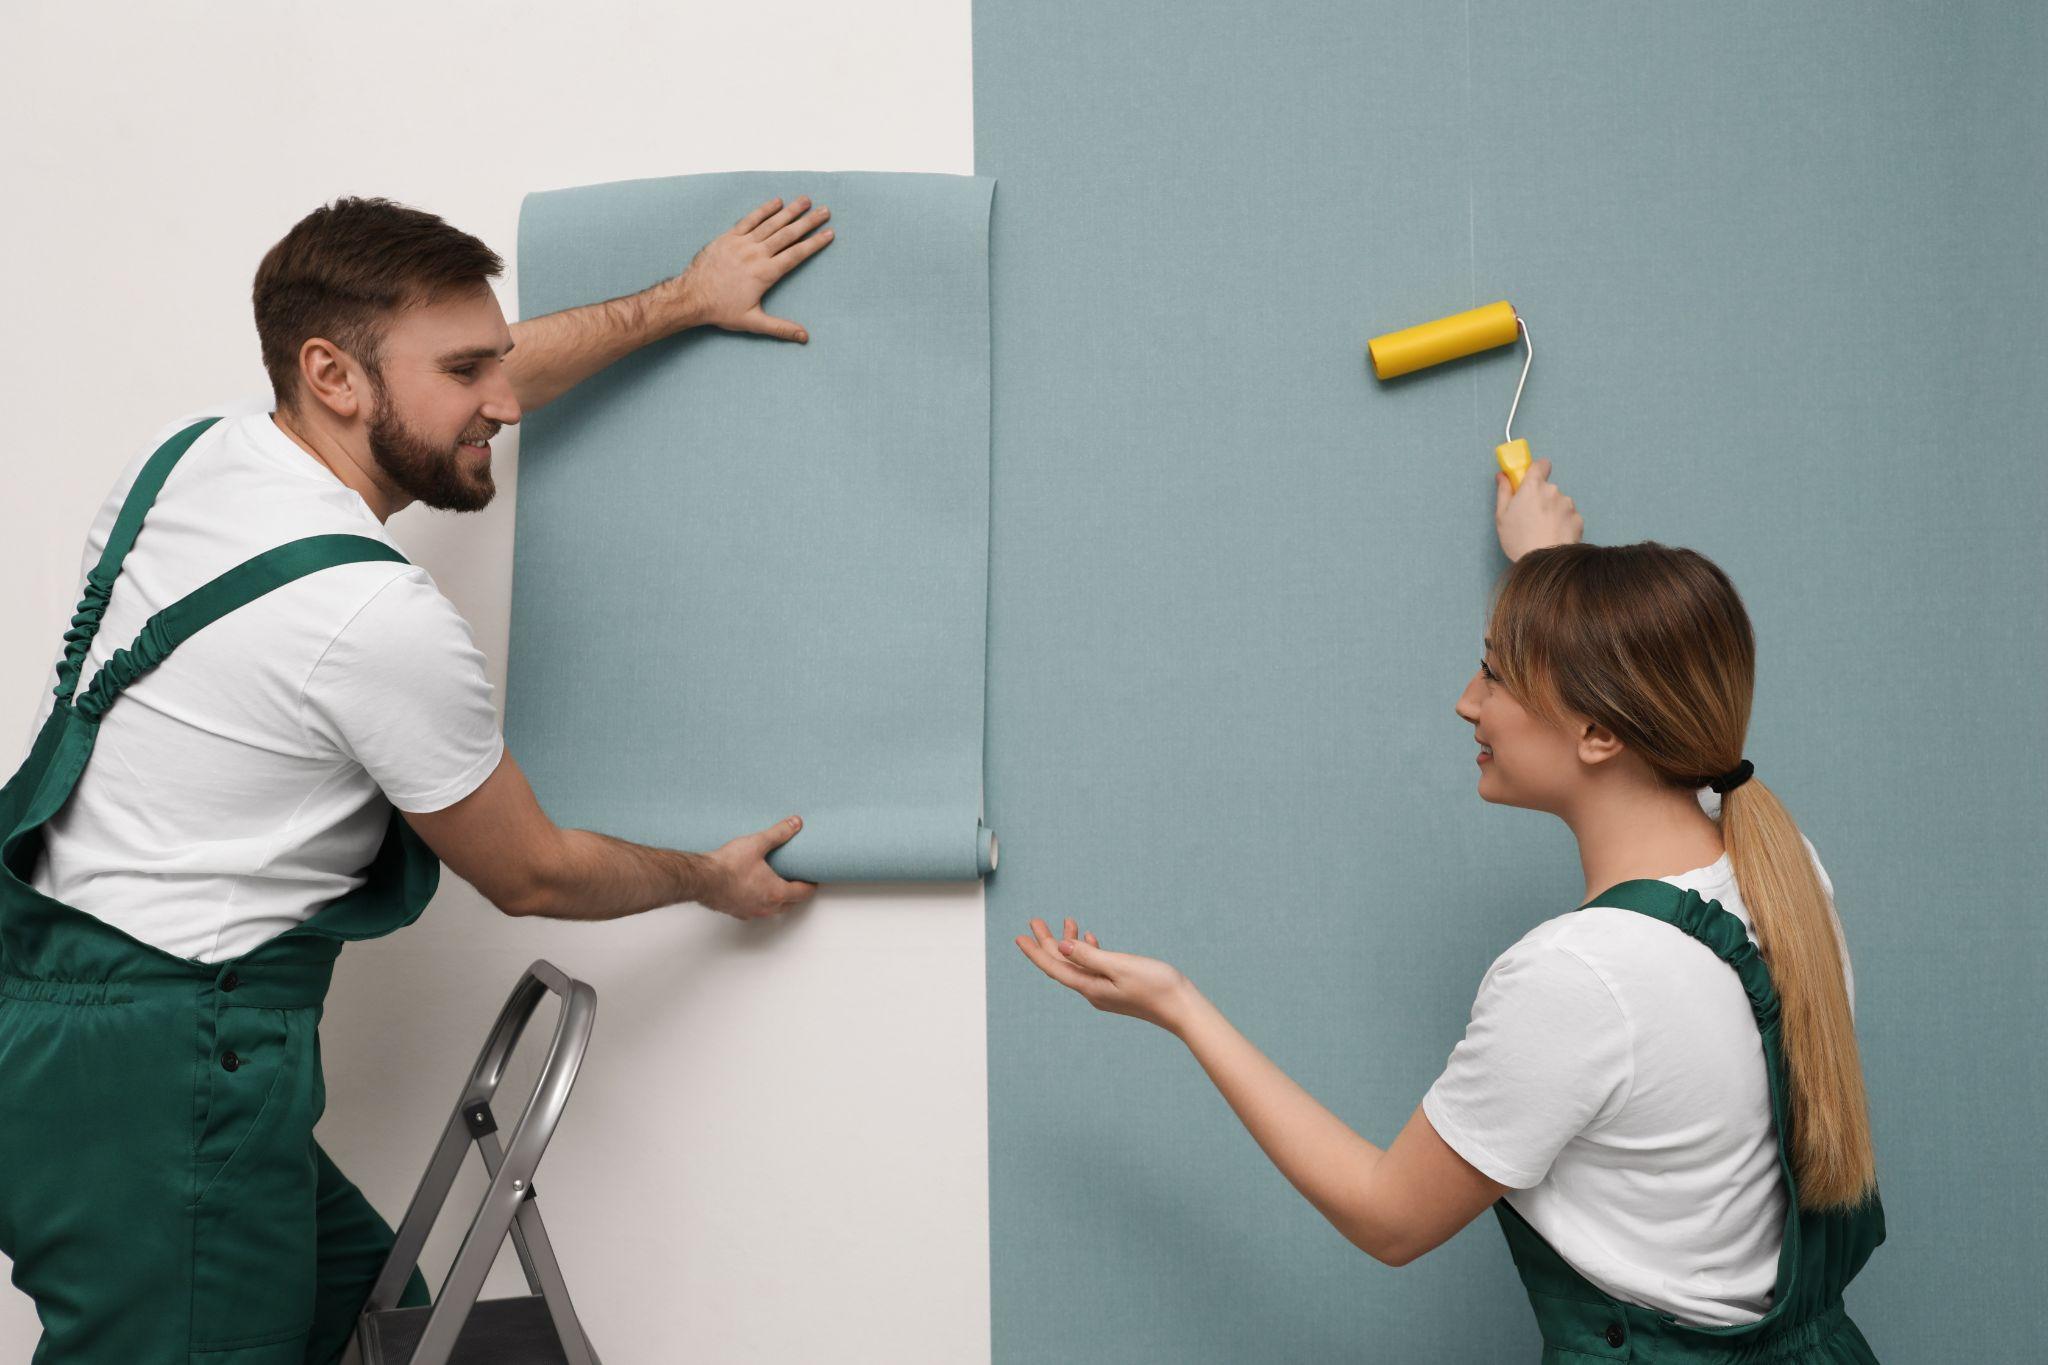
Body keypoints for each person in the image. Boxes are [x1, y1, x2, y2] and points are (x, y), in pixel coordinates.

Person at [0, 192, 834, 1363]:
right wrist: (708, 877)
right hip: (173, 1055)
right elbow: (531, 872)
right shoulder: (367, 615)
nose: (499, 399)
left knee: (372, 1316)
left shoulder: (192, 460)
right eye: (464, 372)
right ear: (333, 375)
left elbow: (483, 372)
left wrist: (682, 301)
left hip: (42, 1011)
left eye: (493, 359)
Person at [1017, 459, 1886, 1360]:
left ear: (1600, 731)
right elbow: (1645, 697)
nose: (1467, 702)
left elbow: (1388, 1216)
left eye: (1495, 676)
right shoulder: (1784, 873)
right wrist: (1551, 568)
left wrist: (1180, 1005)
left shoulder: (1578, 979)